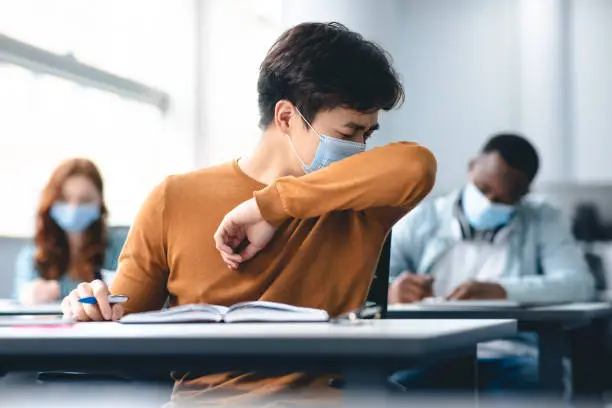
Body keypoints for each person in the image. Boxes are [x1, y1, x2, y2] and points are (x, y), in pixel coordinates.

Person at [59, 22, 437, 405]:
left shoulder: (360, 200)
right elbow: (122, 323)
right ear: (287, 117)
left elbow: (417, 166)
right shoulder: (173, 197)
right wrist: (92, 303)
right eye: (349, 132)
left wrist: (269, 207)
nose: (359, 149)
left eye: (367, 135)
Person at [389, 133, 595, 392]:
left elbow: (578, 284)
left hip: (513, 356)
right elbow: (368, 282)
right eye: (484, 189)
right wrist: (393, 290)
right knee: (399, 391)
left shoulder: (544, 220)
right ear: (472, 167)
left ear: (523, 195)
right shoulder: (422, 217)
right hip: (433, 353)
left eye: (502, 199)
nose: (488, 203)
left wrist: (501, 291)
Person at [14, 158, 127, 305]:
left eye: (85, 199)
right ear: (51, 200)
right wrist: (29, 295)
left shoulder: (121, 245)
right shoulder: (33, 255)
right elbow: (19, 301)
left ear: (99, 203)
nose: (73, 208)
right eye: (65, 198)